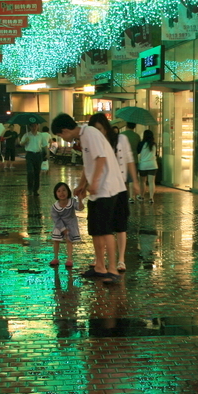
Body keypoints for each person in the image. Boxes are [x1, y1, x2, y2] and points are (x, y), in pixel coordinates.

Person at [51, 112, 127, 283]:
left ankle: (113, 270)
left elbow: (101, 159)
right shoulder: (84, 137)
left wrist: (95, 183)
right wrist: (82, 184)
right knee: (96, 230)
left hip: (107, 189)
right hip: (97, 191)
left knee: (106, 230)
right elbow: (89, 164)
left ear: (65, 130)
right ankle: (100, 267)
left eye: (60, 135)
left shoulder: (90, 133)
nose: (63, 138)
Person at [90, 113, 139, 272]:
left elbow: (129, 159)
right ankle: (99, 258)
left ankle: (121, 259)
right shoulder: (95, 143)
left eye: (99, 129)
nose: (98, 132)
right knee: (102, 226)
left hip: (119, 188)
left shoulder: (121, 139)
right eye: (94, 130)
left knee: (120, 225)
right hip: (102, 189)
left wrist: (135, 181)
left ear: (106, 127)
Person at [50, 181, 84, 269]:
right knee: (56, 240)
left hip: (71, 224)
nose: (62, 193)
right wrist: (63, 229)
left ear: (68, 191)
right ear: (55, 194)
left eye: (64, 190)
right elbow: (56, 219)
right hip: (60, 225)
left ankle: (69, 259)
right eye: (59, 191)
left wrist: (80, 200)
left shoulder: (72, 202)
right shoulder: (55, 206)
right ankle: (55, 257)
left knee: (69, 240)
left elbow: (80, 208)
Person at [23, 122, 50, 195]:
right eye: (32, 126)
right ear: (29, 127)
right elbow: (21, 143)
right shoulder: (26, 135)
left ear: (37, 126)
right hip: (30, 155)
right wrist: (25, 141)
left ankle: (35, 190)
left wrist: (47, 153)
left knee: (37, 173)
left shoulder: (40, 135)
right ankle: (30, 189)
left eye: (35, 126)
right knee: (30, 172)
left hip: (38, 155)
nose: (34, 127)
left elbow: (45, 145)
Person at [136, 130, 159, 203]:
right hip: (153, 164)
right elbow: (155, 154)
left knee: (142, 182)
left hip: (143, 165)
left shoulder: (141, 144)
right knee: (151, 182)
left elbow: (138, 152)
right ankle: (151, 198)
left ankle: (142, 196)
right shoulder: (154, 144)